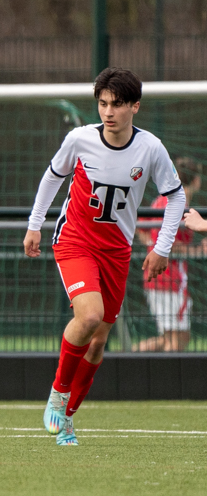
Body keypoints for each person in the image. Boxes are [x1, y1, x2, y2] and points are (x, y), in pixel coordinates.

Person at [24, 67, 185, 446]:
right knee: (90, 316)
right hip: (75, 241)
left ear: (135, 106)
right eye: (103, 103)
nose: (108, 112)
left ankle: (66, 418)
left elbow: (176, 195)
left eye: (117, 104)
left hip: (116, 252)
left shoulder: (150, 148)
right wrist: (35, 225)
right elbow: (52, 176)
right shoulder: (80, 139)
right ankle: (57, 395)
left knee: (98, 342)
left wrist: (162, 247)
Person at [135, 158, 203, 352]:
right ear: (196, 180)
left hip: (157, 277)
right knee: (176, 341)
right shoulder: (176, 204)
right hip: (169, 279)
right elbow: (166, 243)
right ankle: (133, 362)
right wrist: (197, 251)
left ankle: (131, 355)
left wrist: (151, 245)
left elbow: (141, 227)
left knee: (172, 338)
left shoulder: (161, 200)